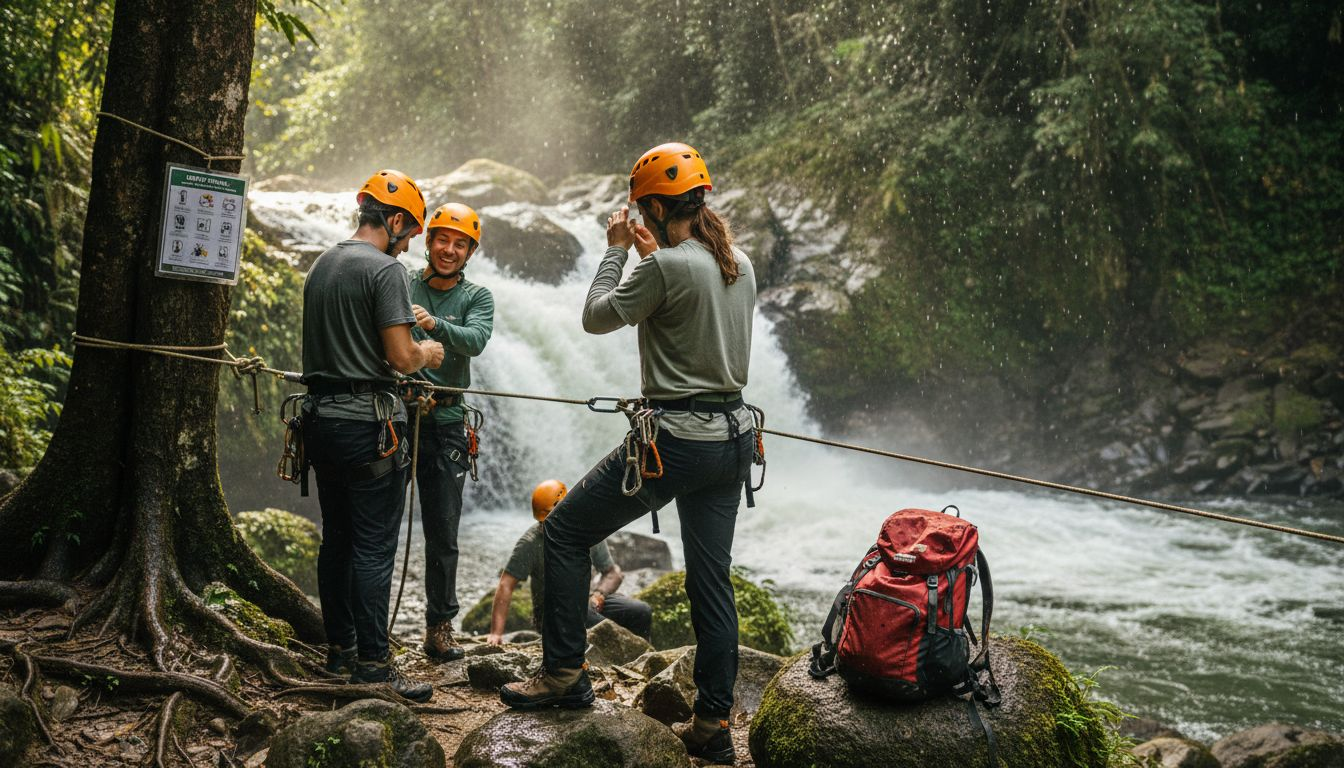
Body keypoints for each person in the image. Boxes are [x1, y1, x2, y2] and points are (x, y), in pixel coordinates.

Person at [500, 143, 756, 766]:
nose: (640, 217)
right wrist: (650, 256)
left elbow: (595, 317)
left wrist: (616, 250)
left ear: (658, 208)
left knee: (563, 532)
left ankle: (563, 674)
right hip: (732, 441)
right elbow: (686, 301)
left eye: (644, 209)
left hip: (675, 443)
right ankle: (713, 725)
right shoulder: (738, 262)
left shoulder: (664, 266)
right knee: (711, 580)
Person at [302, 169, 443, 703]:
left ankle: (340, 651)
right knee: (373, 546)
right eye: (410, 234)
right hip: (369, 429)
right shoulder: (385, 271)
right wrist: (428, 353)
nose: (408, 246)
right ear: (396, 219)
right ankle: (375, 665)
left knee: (336, 538)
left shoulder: (323, 264)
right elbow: (402, 357)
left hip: (320, 422)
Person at [407, 202, 495, 662]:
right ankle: (368, 624)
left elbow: (475, 340)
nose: (449, 249)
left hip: (446, 424)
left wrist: (433, 324)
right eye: (442, 239)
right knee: (379, 524)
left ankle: (439, 628)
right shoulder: (402, 282)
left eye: (460, 244)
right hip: (397, 417)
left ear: (470, 253)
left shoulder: (477, 297)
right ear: (428, 241)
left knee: (443, 531)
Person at [486, 480, 653, 646]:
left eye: (552, 519)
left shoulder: (587, 529)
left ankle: (644, 655)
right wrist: (496, 633)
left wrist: (599, 594)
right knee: (600, 625)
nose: (547, 525)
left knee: (641, 611)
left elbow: (612, 573)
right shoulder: (530, 543)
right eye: (543, 521)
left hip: (588, 600)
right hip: (552, 612)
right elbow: (506, 585)